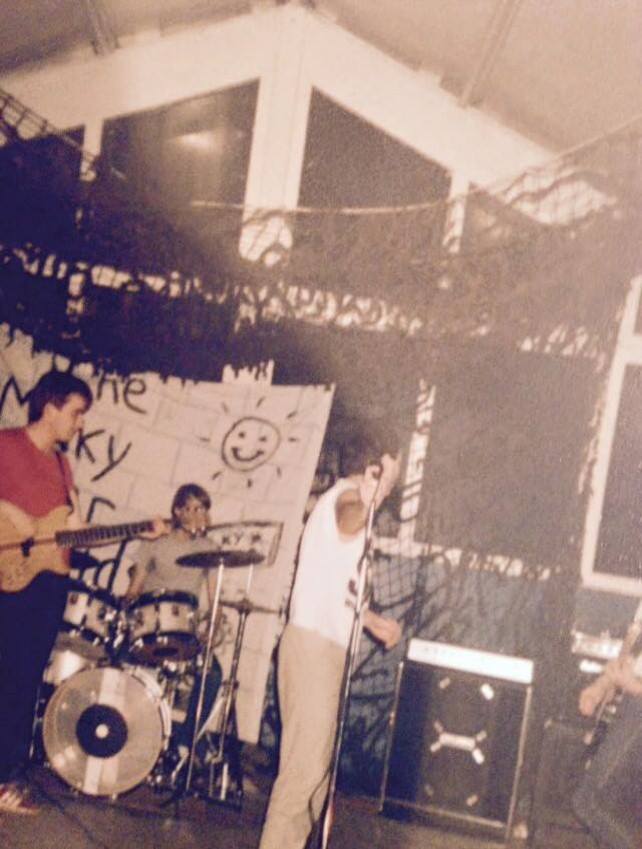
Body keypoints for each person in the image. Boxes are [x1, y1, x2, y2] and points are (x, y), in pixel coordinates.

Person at [259, 427, 403, 849]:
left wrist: (371, 621)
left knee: (315, 777)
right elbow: (351, 515)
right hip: (314, 649)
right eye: (394, 467)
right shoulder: (345, 498)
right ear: (375, 468)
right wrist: (376, 493)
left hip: (323, 648)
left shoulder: (345, 505)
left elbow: (336, 586)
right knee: (303, 775)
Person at [0, 369, 93, 814]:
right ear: (51, 407)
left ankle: (5, 779)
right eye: (76, 412)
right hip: (8, 577)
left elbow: (70, 530)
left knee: (23, 683)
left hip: (49, 585)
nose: (81, 423)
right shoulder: (6, 445)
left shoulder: (62, 465)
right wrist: (9, 510)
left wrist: (138, 530)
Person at [125, 483, 222, 761]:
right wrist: (128, 611)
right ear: (177, 511)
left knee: (213, 675)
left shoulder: (209, 549)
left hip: (184, 633)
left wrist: (212, 627)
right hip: (149, 628)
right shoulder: (156, 542)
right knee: (118, 662)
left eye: (203, 509)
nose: (198, 515)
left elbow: (215, 601)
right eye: (192, 508)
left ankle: (185, 740)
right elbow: (133, 590)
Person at [572, 630, 642, 849]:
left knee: (590, 802)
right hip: (631, 711)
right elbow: (628, 662)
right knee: (608, 808)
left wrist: (632, 686)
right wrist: (600, 687)